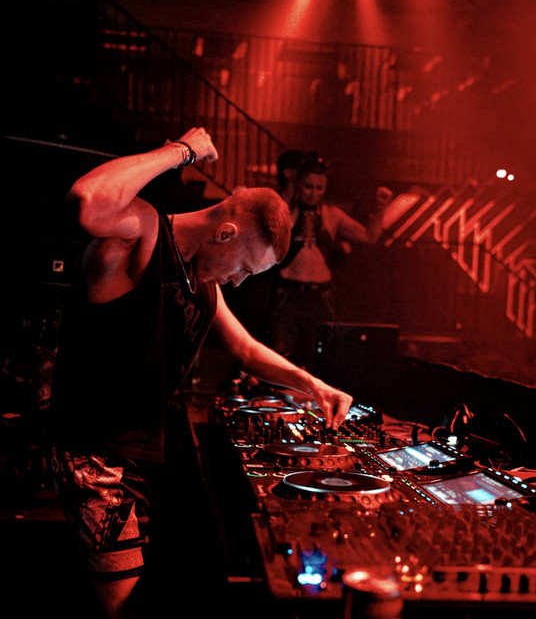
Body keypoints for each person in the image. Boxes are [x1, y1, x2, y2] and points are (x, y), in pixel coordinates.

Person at [47, 127, 353, 619]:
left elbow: (246, 349)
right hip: (94, 452)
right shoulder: (143, 236)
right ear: (226, 233)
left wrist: (315, 386)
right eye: (245, 268)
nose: (240, 281)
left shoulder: (204, 284)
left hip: (139, 453)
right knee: (122, 608)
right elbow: (87, 201)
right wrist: (181, 151)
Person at [268, 152, 394, 370]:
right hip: (288, 293)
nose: (313, 193)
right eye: (308, 187)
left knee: (321, 356)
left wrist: (381, 208)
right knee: (280, 356)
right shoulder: (285, 212)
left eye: (320, 188)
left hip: (321, 295)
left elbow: (369, 236)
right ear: (298, 185)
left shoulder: (332, 215)